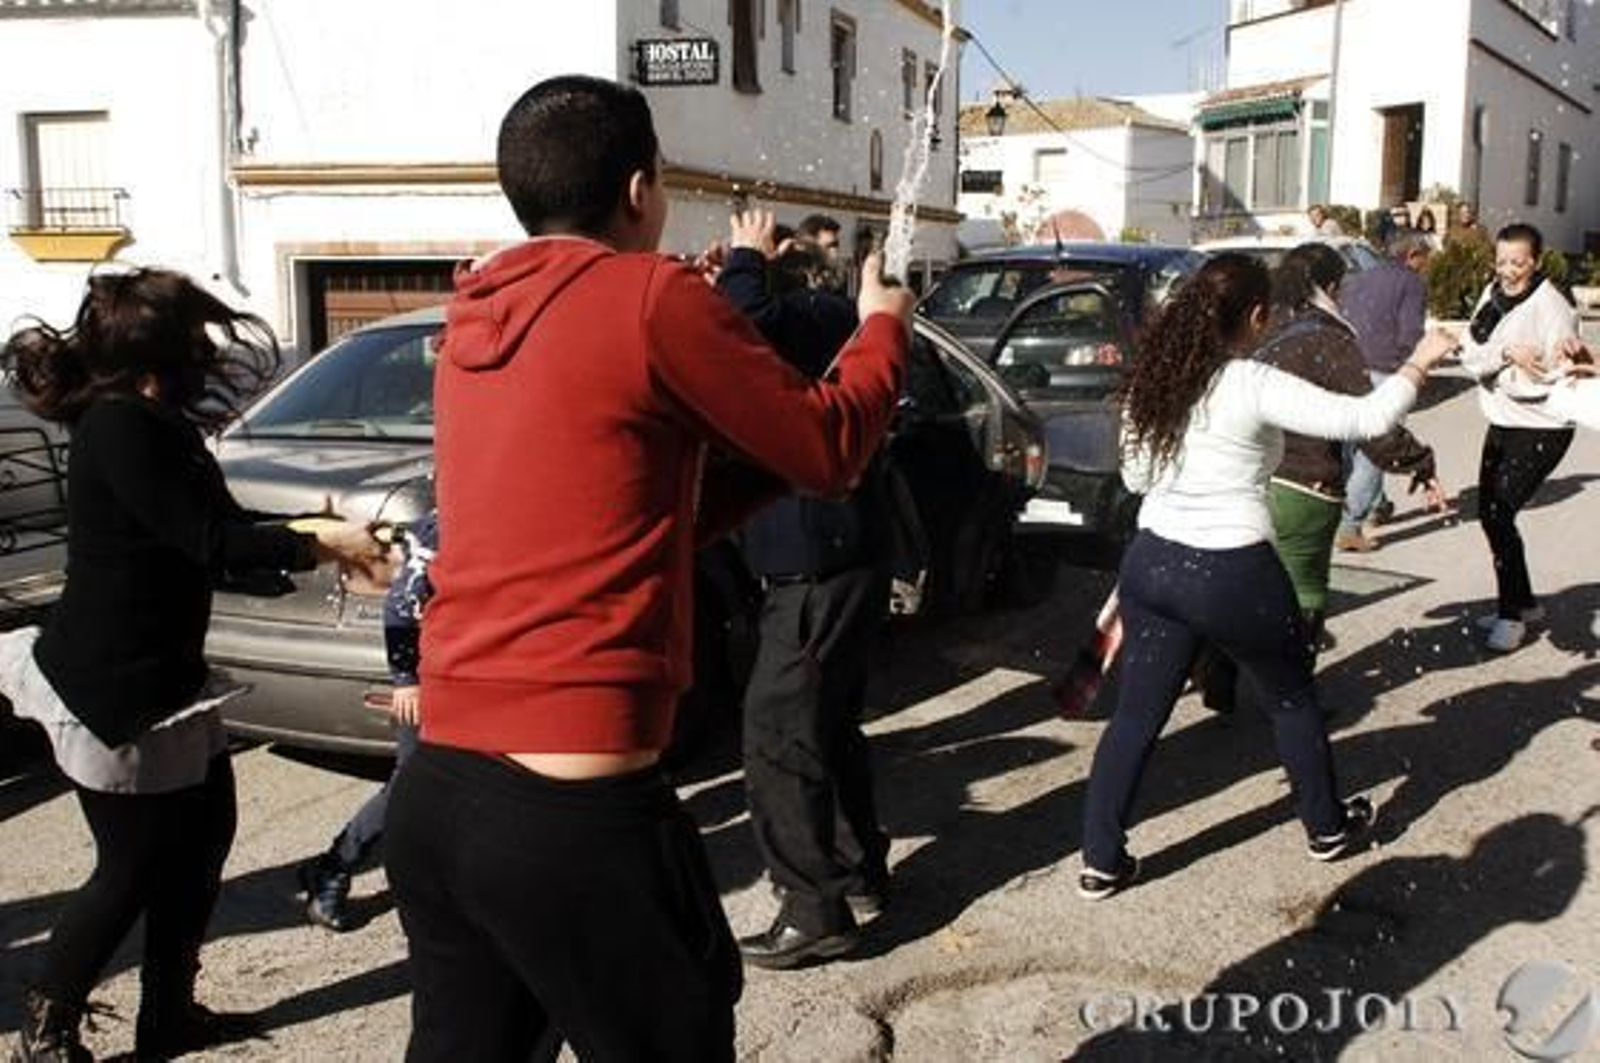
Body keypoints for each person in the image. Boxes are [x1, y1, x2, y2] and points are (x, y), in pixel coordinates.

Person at [381, 75, 912, 1062]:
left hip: (439, 793)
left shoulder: (472, 318)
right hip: (567, 805)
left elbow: (630, 507)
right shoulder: (647, 297)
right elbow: (828, 444)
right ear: (639, 188)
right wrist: (882, 326)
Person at [0, 269, 385, 1061]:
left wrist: (319, 529)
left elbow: (223, 528)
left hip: (167, 676)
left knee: (202, 842)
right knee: (132, 865)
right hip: (113, 686)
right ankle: (47, 1021)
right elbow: (211, 542)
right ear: (162, 348)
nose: (208, 350)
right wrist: (320, 540)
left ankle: (168, 1015)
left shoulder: (151, 421)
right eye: (195, 337)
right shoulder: (121, 426)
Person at [1077, 254, 1458, 900]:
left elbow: (1138, 479)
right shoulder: (1249, 381)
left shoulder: (1157, 380)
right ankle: (1327, 828)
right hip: (1232, 568)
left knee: (1137, 716)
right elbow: (1364, 419)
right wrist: (1422, 358)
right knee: (1290, 696)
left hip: (1154, 561)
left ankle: (1101, 860)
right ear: (1256, 316)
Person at [712, 208, 893, 970]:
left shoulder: (820, 318)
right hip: (828, 563)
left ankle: (815, 908)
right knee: (826, 724)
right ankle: (857, 871)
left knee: (778, 734)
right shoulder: (812, 326)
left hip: (818, 569)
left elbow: (740, 319)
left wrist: (746, 260)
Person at [1257, 243, 1444, 647]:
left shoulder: (1262, 326)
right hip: (1304, 487)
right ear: (1332, 286)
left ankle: (1223, 677)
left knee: (1251, 586)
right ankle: (1294, 695)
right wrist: (1420, 461)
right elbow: (1372, 428)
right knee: (1306, 595)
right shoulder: (1329, 340)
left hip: (1252, 480)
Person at [297, 512, 437, 933]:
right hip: (433, 679)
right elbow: (401, 605)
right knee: (413, 784)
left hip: (485, 676)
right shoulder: (448, 522)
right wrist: (407, 679)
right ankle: (333, 868)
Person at [1456, 222, 1578, 652]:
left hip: (1543, 426)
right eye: (1502, 261)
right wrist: (1506, 355)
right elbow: (1469, 354)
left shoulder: (1553, 306)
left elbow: (1555, 375)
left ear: (1537, 261)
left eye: (1518, 263)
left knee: (1499, 513)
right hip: (1503, 421)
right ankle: (1522, 602)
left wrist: (1509, 370)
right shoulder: (1492, 294)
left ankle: (1512, 616)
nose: (1508, 271)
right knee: (1490, 513)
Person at [1337, 231, 1440, 550]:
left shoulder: (1360, 278)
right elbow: (1411, 331)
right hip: (1385, 368)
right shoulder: (1411, 282)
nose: (1426, 264)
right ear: (1412, 255)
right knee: (1378, 446)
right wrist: (1416, 366)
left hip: (1349, 365)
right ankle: (1351, 526)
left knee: (1355, 443)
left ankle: (1376, 506)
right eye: (1425, 257)